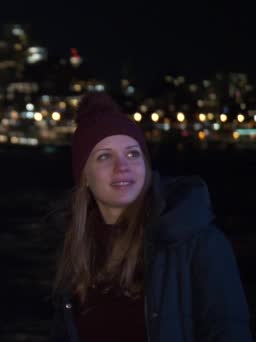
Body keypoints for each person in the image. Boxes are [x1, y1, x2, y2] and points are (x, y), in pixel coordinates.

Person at [51, 92, 252, 342]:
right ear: (85, 178)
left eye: (133, 154)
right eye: (104, 156)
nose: (122, 166)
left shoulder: (199, 244)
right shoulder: (74, 253)